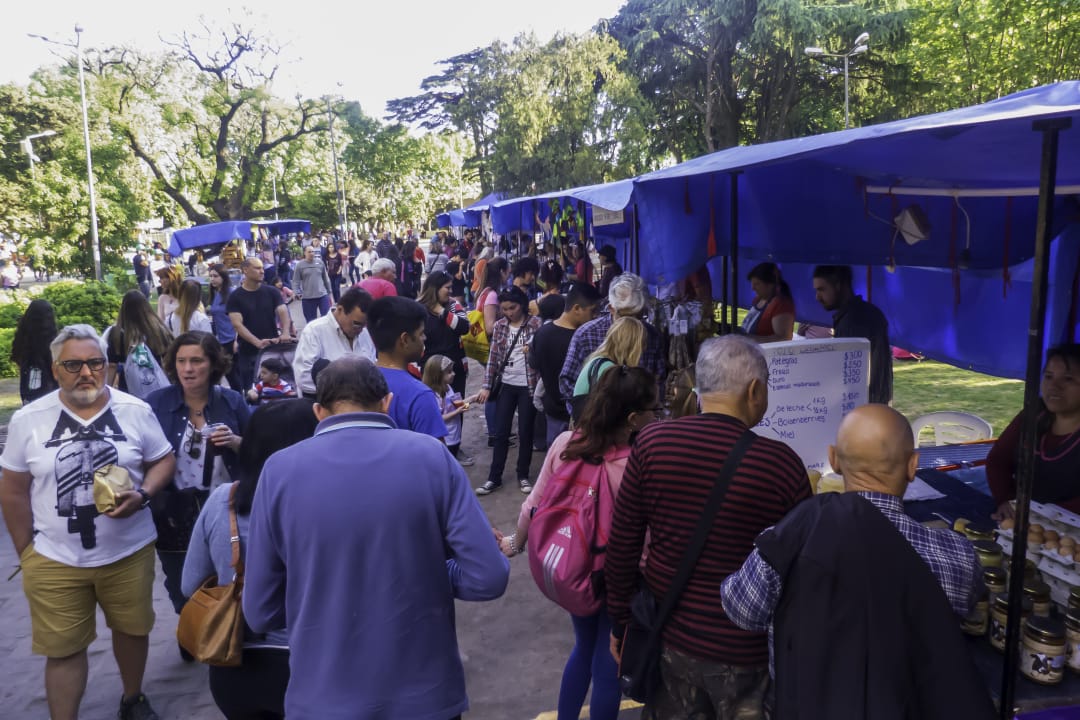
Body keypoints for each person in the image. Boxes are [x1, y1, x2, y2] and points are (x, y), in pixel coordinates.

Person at [242, 356, 510, 718]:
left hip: (322, 702)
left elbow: (260, 612)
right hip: (426, 700)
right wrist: (432, 568)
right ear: (386, 402)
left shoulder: (278, 471)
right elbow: (489, 576)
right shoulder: (431, 457)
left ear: (319, 411)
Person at [721, 404, 991, 719]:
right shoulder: (957, 557)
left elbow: (741, 609)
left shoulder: (789, 541)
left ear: (833, 460)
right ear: (913, 465)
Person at [605, 335, 812, 719]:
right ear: (754, 390)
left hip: (669, 642)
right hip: (746, 656)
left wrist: (621, 623)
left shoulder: (652, 443)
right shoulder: (781, 465)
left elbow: (622, 546)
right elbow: (800, 575)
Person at [0, 324, 176, 720]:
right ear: (55, 368)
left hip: (128, 551)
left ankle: (133, 698)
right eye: (74, 364)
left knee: (133, 630)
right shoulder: (30, 419)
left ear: (107, 365)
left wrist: (144, 494)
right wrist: (26, 551)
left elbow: (163, 458)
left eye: (95, 363)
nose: (86, 373)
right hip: (53, 558)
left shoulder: (135, 410)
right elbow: (12, 489)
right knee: (62, 649)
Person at [503, 367, 661, 720]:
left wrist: (515, 544)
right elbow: (647, 540)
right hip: (615, 581)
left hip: (571, 570)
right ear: (634, 419)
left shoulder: (565, 444)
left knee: (583, 647)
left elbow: (533, 506)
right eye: (656, 409)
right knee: (609, 667)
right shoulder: (637, 463)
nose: (659, 415)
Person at [184, 398, 318, 720]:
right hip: (309, 664)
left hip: (233, 666)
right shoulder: (325, 503)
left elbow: (190, 585)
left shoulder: (222, 499)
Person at [145, 332, 248, 623]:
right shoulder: (155, 404)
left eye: (196, 361)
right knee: (182, 585)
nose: (187, 369)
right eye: (181, 361)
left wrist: (235, 441)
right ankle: (192, 628)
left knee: (227, 576)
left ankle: (223, 634)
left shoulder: (231, 401)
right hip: (173, 510)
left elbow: (257, 449)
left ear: (213, 364)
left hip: (224, 505)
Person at [988, 343, 1080, 518]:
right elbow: (998, 460)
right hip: (1019, 520)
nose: (1054, 386)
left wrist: (1041, 517)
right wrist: (1005, 501)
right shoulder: (1034, 413)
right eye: (1049, 376)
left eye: (1068, 379)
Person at [476, 286, 543, 496]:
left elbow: (541, 357)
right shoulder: (500, 327)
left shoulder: (536, 325)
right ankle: (494, 477)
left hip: (529, 386)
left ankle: (523, 474)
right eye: (504, 309)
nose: (509, 312)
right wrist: (486, 386)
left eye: (512, 307)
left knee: (526, 431)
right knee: (501, 432)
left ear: (522, 305)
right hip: (506, 384)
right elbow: (493, 358)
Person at [558, 273, 665, 405]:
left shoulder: (652, 335)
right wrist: (594, 409)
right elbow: (566, 382)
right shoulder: (587, 334)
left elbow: (659, 380)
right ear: (611, 309)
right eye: (625, 316)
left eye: (638, 317)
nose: (632, 323)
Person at [367, 295, 449, 440]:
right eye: (421, 333)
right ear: (405, 340)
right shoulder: (419, 395)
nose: (425, 338)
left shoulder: (360, 382)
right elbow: (436, 457)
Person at [530, 284, 602, 446]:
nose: (595, 316)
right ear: (576, 308)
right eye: (592, 311)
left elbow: (533, 364)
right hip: (579, 415)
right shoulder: (583, 338)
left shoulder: (542, 333)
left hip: (553, 412)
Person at [812, 264, 893, 404]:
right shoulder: (867, 312)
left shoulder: (853, 321)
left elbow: (849, 379)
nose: (817, 297)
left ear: (838, 285)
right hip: (875, 404)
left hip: (865, 408)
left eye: (821, 289)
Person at [292, 287, 376, 398]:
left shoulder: (363, 333)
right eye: (356, 324)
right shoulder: (314, 331)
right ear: (340, 310)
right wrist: (346, 389)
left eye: (364, 325)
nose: (360, 330)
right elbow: (304, 377)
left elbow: (373, 365)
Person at [227, 257, 294, 392]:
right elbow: (237, 325)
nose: (262, 271)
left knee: (277, 389)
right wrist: (257, 342)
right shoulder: (235, 297)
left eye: (262, 268)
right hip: (248, 352)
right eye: (257, 268)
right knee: (251, 391)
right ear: (245, 270)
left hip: (272, 350)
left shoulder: (272, 291)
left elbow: (282, 311)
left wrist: (286, 332)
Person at [105, 290, 174, 396]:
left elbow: (112, 366)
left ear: (123, 309)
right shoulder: (159, 329)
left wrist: (107, 391)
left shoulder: (117, 333)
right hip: (159, 384)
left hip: (128, 387)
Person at [419, 270, 471, 397]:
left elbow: (464, 327)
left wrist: (442, 311)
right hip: (430, 371)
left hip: (455, 370)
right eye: (447, 288)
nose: (451, 291)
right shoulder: (418, 308)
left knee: (458, 406)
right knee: (433, 408)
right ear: (435, 289)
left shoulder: (453, 305)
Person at [572, 316, 646, 399]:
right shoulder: (608, 368)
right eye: (642, 344)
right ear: (632, 346)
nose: (644, 349)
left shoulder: (598, 361)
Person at [423, 354, 478, 464]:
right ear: (437, 375)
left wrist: (472, 399)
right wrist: (457, 411)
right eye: (449, 372)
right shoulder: (434, 396)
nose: (453, 374)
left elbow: (455, 406)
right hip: (446, 440)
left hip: (454, 437)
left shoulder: (448, 388)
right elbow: (439, 418)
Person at [12, 298, 60, 405]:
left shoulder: (22, 338)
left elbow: (18, 359)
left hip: (28, 388)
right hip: (49, 392)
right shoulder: (53, 343)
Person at [742, 261, 795, 342]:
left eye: (757, 284)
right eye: (752, 284)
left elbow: (783, 338)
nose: (753, 288)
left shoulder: (782, 304)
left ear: (770, 284)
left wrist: (747, 338)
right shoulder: (758, 300)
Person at [207, 263, 241, 389]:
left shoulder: (232, 294)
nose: (212, 279)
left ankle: (241, 401)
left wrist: (237, 339)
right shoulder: (215, 293)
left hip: (232, 339)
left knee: (232, 373)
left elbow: (241, 318)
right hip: (220, 339)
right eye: (210, 276)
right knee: (228, 372)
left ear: (223, 277)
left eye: (215, 276)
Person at [293, 245, 333, 322]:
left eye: (313, 251)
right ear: (304, 253)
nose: (311, 253)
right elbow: (296, 281)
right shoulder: (300, 265)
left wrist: (329, 292)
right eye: (309, 252)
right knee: (311, 321)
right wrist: (296, 292)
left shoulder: (320, 262)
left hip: (322, 295)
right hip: (308, 298)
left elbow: (326, 278)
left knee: (327, 319)